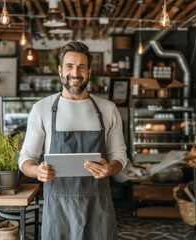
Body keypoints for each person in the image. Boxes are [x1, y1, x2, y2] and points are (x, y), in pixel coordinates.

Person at [19, 41, 128, 240]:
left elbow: (120, 155)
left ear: (89, 72)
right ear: (60, 70)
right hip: (57, 210)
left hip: (98, 206)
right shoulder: (41, 109)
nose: (75, 73)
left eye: (81, 67)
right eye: (69, 66)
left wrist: (110, 168)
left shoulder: (108, 109)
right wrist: (37, 170)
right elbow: (26, 158)